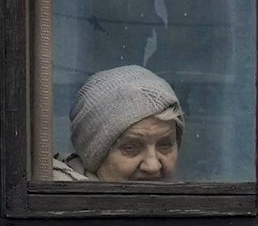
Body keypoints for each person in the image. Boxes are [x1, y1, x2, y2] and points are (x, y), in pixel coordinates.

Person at [53, 65, 184, 182]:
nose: (153, 166)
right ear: (93, 158)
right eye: (130, 148)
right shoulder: (51, 203)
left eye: (165, 145)